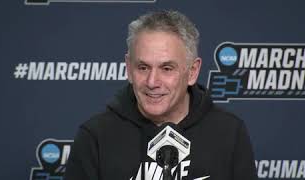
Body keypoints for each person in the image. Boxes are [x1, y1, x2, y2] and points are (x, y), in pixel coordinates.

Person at [64, 10, 257, 180]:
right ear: (129, 68)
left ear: (192, 71)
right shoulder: (95, 136)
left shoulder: (229, 132)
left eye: (166, 68)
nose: (152, 82)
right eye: (143, 67)